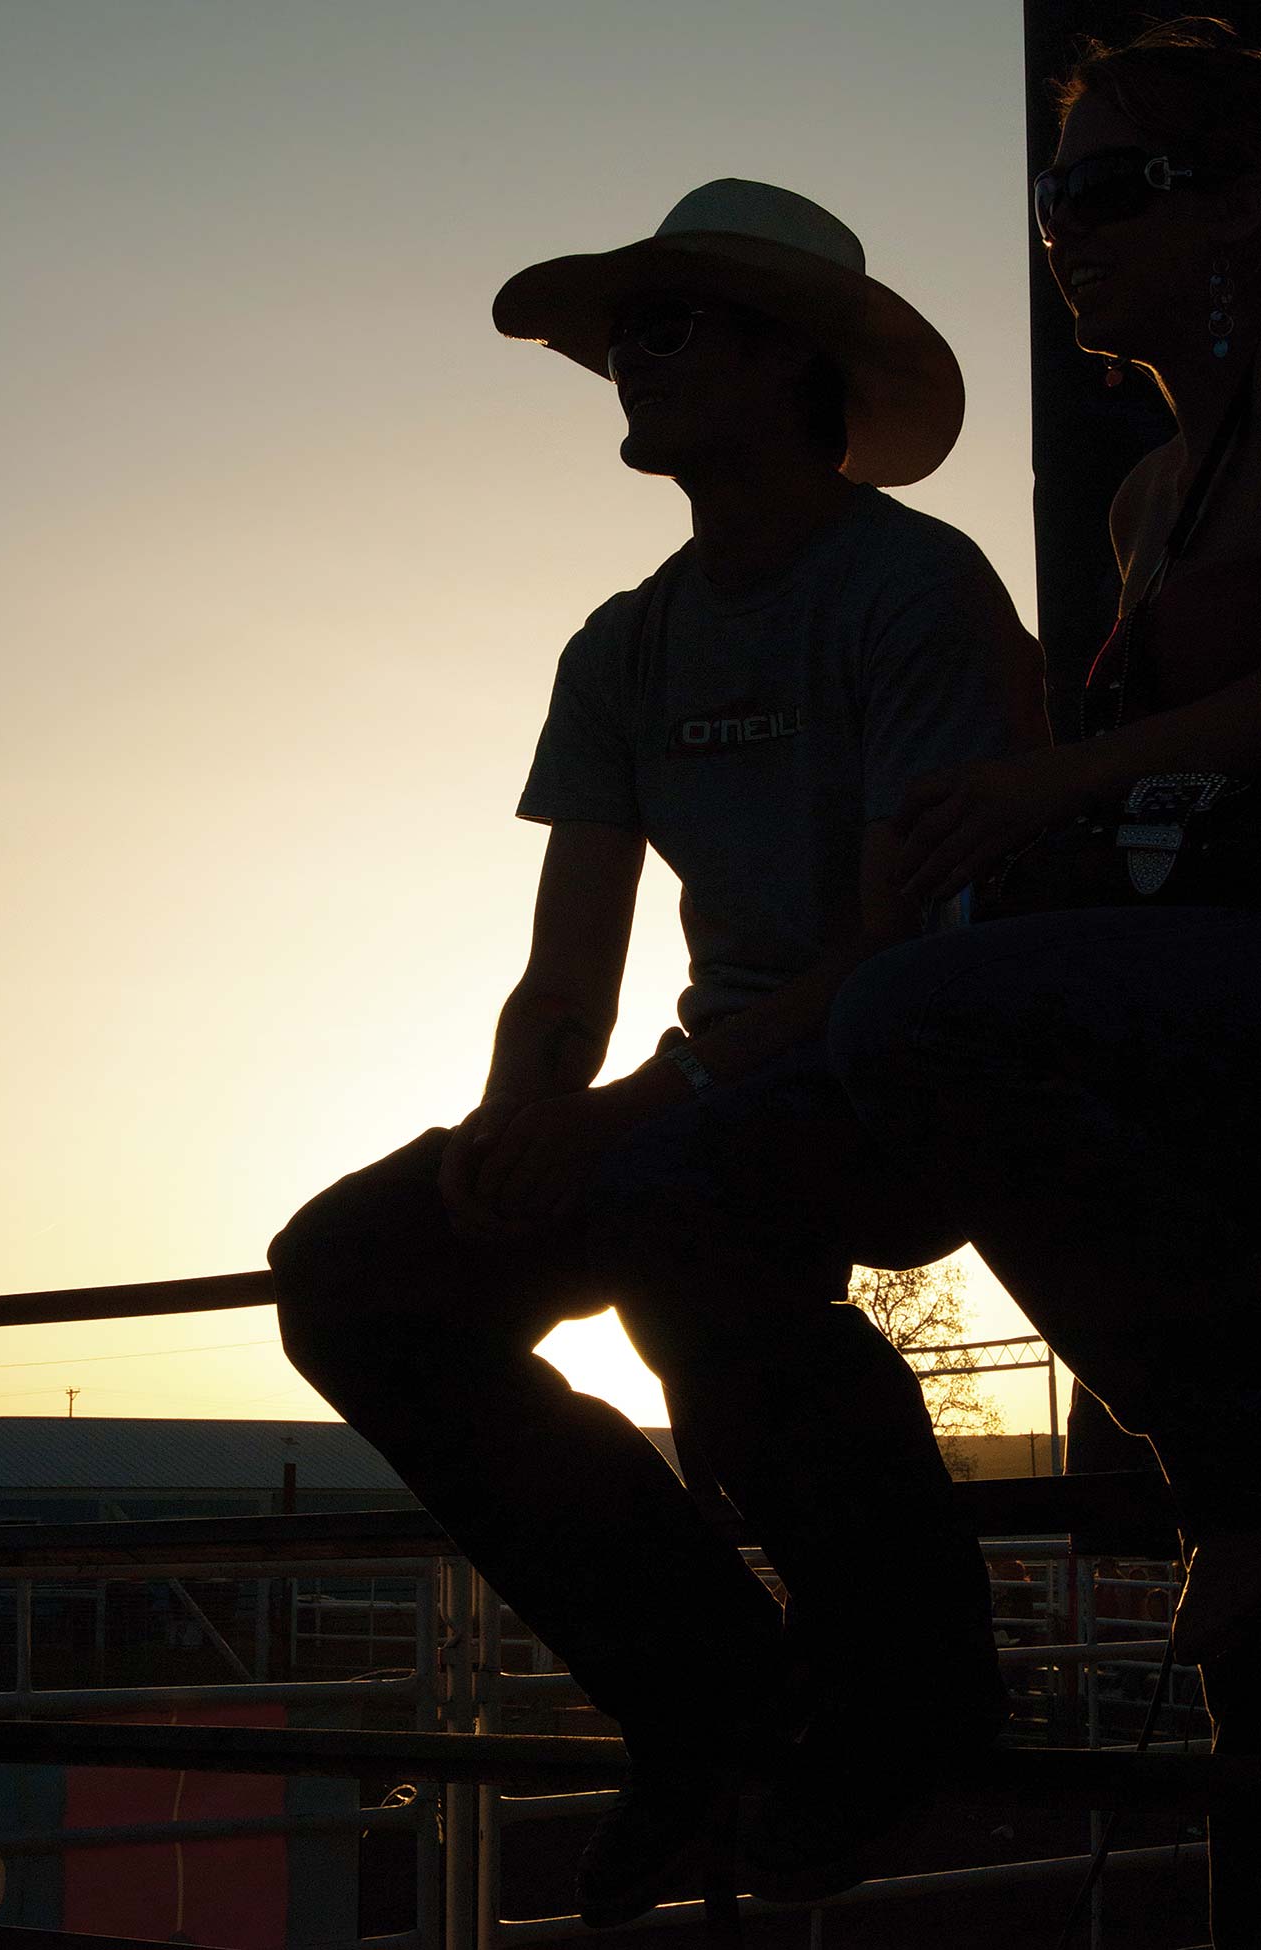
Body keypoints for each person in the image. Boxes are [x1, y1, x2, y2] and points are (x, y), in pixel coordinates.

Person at [269, 178, 1042, 1924]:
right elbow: (569, 964)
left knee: (681, 1203)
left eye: (670, 324)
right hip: (716, 1097)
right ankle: (711, 1694)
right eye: (625, 333)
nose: (629, 360)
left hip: (916, 1060)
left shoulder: (914, 590)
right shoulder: (625, 643)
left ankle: (907, 1681)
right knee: (354, 1269)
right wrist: (516, 1113)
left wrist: (633, 1110)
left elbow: (908, 940)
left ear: (792, 362)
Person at [827, 12, 1261, 1897]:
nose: (1055, 226)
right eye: (1046, 190)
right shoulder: (1146, 495)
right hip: (1197, 994)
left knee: (914, 1021)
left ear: (1241, 205)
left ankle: (1231, 1457)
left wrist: (1054, 782)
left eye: (1099, 185)